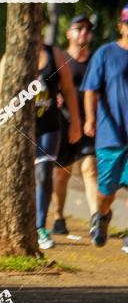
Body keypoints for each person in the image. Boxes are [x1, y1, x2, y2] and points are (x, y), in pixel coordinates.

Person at [0, 39, 81, 249]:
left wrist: (75, 121)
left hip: (50, 126)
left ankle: (40, 226)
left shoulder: (54, 53)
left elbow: (69, 89)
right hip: (19, 129)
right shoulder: (10, 55)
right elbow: (1, 94)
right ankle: (17, 224)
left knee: (44, 174)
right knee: (20, 176)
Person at [81, 5, 128, 254]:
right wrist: (89, 119)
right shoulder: (105, 53)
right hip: (111, 133)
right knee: (106, 190)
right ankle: (102, 215)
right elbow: (91, 88)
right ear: (121, 26)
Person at [52, 15, 98, 235]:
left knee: (90, 168)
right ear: (68, 33)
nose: (84, 33)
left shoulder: (96, 60)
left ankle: (96, 220)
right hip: (63, 123)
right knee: (62, 173)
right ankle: (58, 218)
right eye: (79, 28)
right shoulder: (60, 59)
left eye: (88, 30)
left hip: (91, 124)